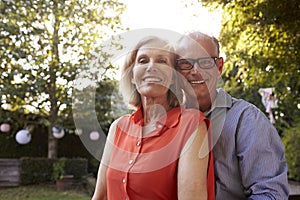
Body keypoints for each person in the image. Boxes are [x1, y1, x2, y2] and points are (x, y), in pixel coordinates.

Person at [92, 36, 214, 200]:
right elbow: (100, 196)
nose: (151, 67)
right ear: (132, 76)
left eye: (162, 61)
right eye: (143, 60)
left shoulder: (191, 125)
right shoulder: (118, 127)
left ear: (173, 77)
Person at [175, 32, 289, 199]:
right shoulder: (166, 123)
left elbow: (270, 194)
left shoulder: (248, 120)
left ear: (219, 67)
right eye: (185, 63)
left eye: (206, 62)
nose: (196, 71)